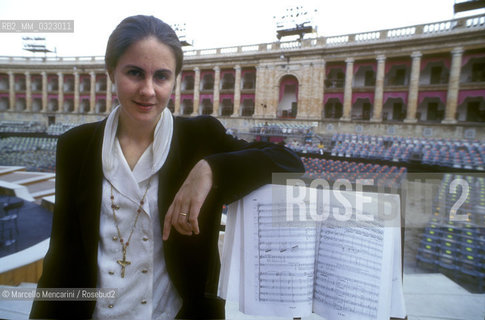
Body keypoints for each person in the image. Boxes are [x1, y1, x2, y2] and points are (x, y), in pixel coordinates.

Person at [30, 15, 304, 320]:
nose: (148, 90)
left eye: (161, 76)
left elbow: (290, 162)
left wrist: (211, 169)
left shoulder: (201, 137)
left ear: (174, 80)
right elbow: (61, 255)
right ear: (111, 72)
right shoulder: (75, 145)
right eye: (134, 73)